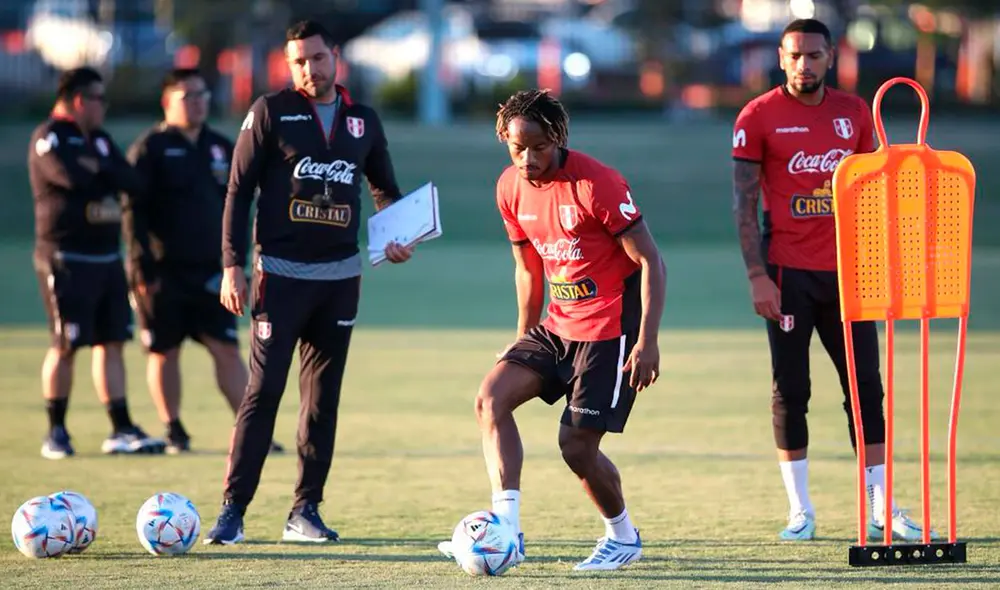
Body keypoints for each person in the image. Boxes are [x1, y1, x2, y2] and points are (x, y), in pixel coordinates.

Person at [204, 19, 413, 545]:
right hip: (280, 276)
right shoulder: (270, 111)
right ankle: (232, 511)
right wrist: (233, 266)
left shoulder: (362, 120)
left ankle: (305, 512)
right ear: (288, 63)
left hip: (340, 280)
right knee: (264, 393)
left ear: (334, 56)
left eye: (317, 58)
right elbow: (237, 192)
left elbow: (385, 190)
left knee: (322, 401)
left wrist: (397, 236)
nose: (309, 69)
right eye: (299, 61)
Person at [439, 89, 667, 571]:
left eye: (538, 146)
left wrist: (647, 340)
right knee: (490, 398)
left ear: (558, 138)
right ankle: (508, 532)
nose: (528, 158)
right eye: (517, 148)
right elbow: (527, 268)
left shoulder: (595, 183)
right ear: (505, 141)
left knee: (576, 446)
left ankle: (623, 538)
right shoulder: (508, 187)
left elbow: (651, 260)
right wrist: (523, 334)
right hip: (556, 324)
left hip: (610, 324)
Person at [731, 18, 937, 542]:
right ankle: (800, 510)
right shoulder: (758, 116)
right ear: (781, 58)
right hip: (787, 273)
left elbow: (874, 194)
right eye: (795, 55)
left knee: (866, 391)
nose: (805, 64)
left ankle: (881, 506)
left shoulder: (854, 114)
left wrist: (886, 263)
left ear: (831, 57)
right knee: (791, 391)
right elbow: (745, 201)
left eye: (814, 55)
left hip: (851, 277)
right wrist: (758, 275)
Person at [122, 68, 285, 455]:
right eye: (187, 96)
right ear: (168, 102)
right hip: (163, 271)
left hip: (213, 271)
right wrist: (141, 263)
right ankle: (174, 428)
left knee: (226, 348)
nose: (197, 103)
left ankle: (252, 432)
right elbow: (133, 211)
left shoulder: (221, 146)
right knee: (165, 350)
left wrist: (242, 260)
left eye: (202, 95)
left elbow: (244, 203)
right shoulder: (151, 148)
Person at [28, 66, 165, 459]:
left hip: (106, 256)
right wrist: (105, 173)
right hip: (65, 256)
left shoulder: (100, 141)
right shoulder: (48, 137)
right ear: (78, 100)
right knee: (67, 343)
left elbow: (132, 181)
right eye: (99, 99)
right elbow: (72, 179)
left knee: (111, 342)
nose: (103, 107)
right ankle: (56, 430)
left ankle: (120, 427)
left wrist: (101, 170)